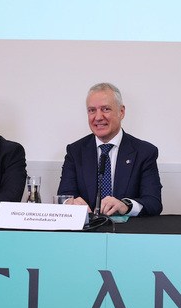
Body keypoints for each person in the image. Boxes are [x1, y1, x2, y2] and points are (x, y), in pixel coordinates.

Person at [57, 82, 162, 216]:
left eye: (106, 109)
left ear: (121, 112)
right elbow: (64, 196)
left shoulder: (144, 152)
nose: (98, 117)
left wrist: (126, 205)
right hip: (88, 227)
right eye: (92, 110)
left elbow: (153, 203)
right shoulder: (75, 151)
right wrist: (70, 204)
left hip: (128, 228)